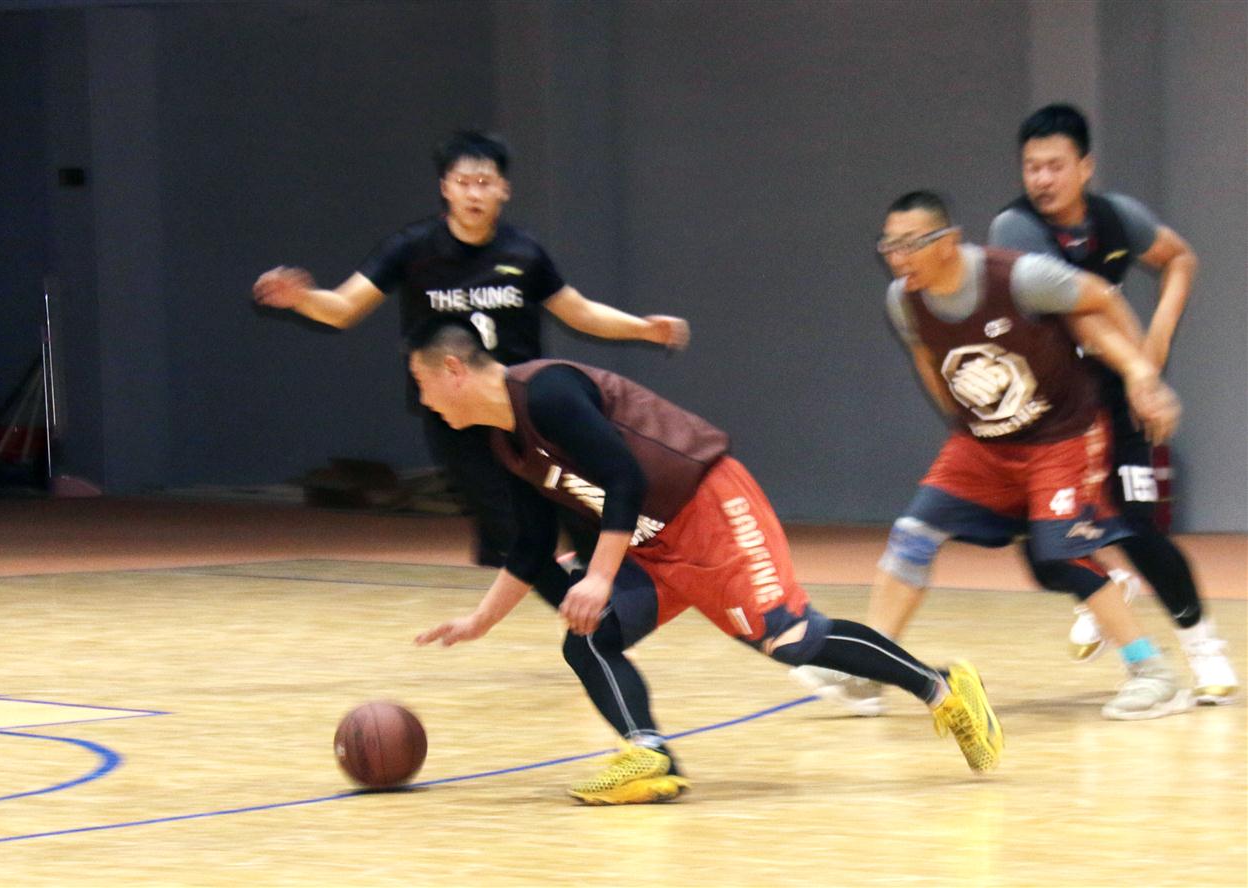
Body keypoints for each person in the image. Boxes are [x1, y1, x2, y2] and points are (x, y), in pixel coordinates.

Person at [408, 317, 1003, 806]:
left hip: (709, 505)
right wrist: (480, 621)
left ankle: (943, 687)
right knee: (588, 639)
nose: (423, 401)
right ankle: (649, 755)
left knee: (789, 637)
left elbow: (624, 476)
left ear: (453, 370)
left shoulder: (548, 392)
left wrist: (600, 575)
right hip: (652, 544)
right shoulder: (506, 443)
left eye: (422, 383)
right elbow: (532, 545)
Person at [794, 190, 1188, 721]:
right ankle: (871, 672)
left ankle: (1153, 673)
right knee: (912, 535)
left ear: (948, 241)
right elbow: (927, 358)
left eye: (910, 244)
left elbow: (1100, 298)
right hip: (985, 443)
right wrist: (967, 424)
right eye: (889, 246)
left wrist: (1141, 374)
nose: (897, 257)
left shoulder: (1019, 278)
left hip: (1062, 435)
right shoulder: (903, 300)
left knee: (1062, 553)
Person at [253, 131, 689, 568]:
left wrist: (644, 329)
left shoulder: (523, 252)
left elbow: (579, 312)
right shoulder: (412, 248)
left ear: (504, 189)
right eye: (462, 183)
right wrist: (302, 299)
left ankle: (610, 581)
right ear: (445, 188)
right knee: (506, 522)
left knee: (570, 504)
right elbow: (343, 308)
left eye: (484, 183)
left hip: (522, 408)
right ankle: (537, 581)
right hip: (454, 411)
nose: (473, 194)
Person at [988, 103, 1236, 704]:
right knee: (1044, 552)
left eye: (1054, 166)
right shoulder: (1016, 230)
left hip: (1115, 395)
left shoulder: (1118, 218)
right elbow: (1080, 315)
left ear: (1085, 167)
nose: (1042, 179)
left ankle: (1204, 649)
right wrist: (1142, 372)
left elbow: (1179, 258)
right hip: (1050, 408)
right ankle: (1104, 586)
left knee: (1138, 526)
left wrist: (1155, 345)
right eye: (1031, 167)